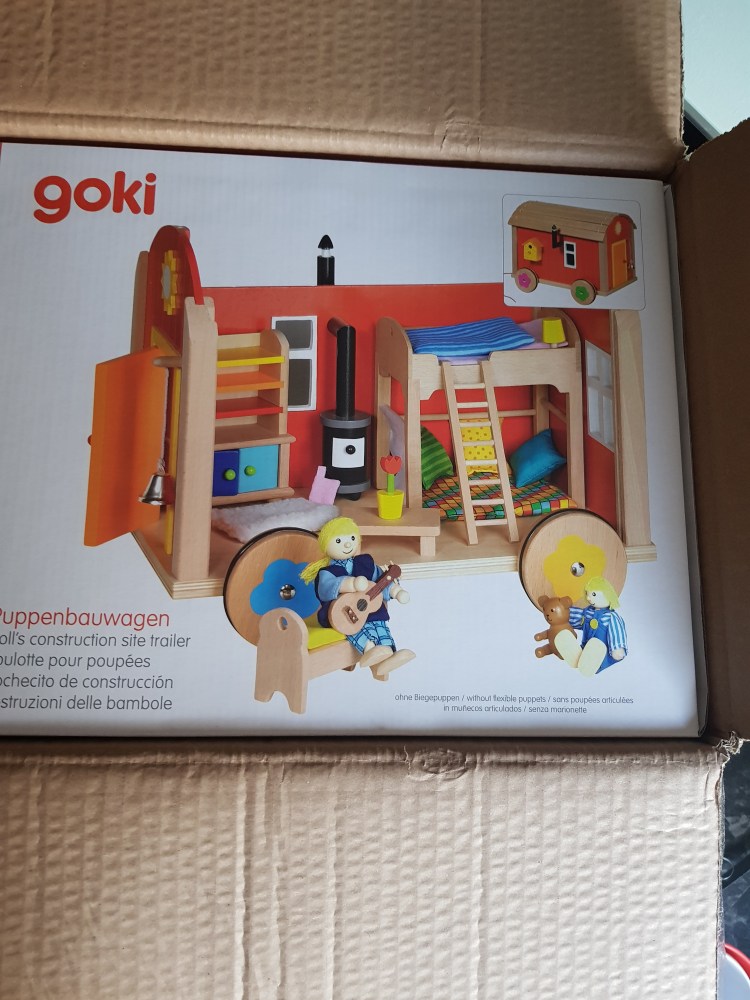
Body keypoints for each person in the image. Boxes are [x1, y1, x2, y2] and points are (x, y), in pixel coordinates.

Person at [300, 517, 414, 675]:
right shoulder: (327, 572)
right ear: (326, 544)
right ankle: (369, 649)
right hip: (342, 613)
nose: (348, 545)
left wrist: (396, 591)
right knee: (354, 628)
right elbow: (326, 589)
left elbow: (380, 582)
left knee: (380, 627)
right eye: (339, 541)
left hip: (370, 611)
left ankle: (388, 656)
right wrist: (350, 584)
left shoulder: (365, 563)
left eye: (352, 539)